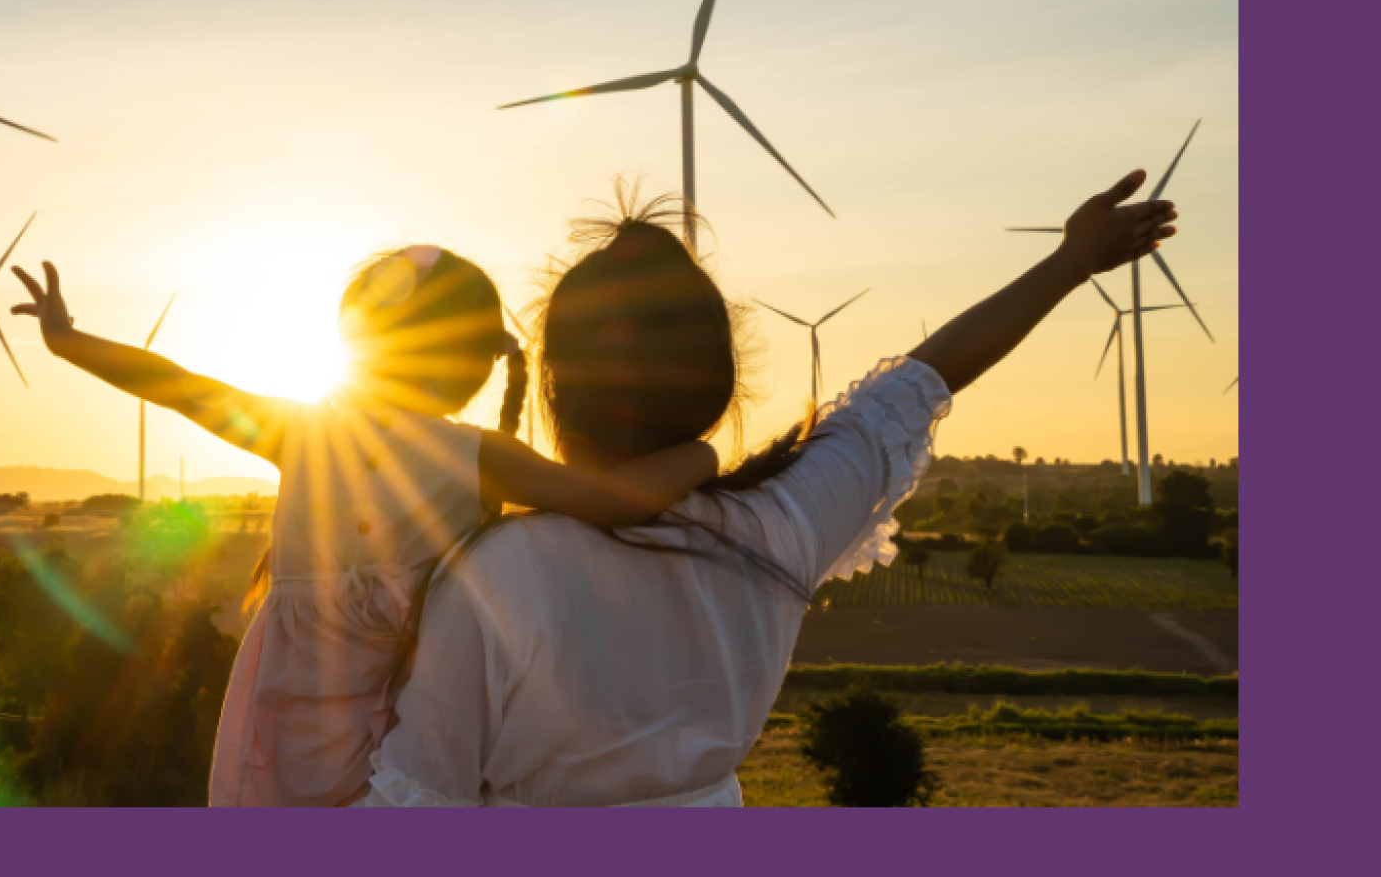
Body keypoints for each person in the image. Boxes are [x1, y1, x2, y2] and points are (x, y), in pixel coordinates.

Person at [358, 171, 1177, 807]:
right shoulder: (778, 525)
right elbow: (924, 378)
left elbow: (420, 804)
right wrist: (1073, 261)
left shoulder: (495, 576)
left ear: (555, 388)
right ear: (717, 384)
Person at [9, 244, 719, 806]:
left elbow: (176, 387)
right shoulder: (475, 456)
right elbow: (612, 500)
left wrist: (68, 341)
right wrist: (700, 453)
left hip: (296, 707)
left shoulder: (302, 431)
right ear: (470, 362)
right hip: (402, 717)